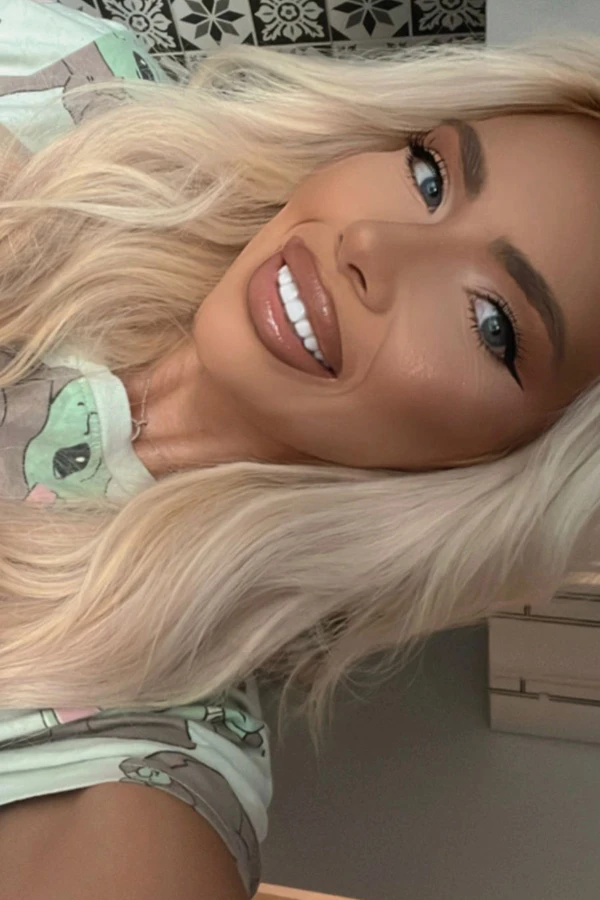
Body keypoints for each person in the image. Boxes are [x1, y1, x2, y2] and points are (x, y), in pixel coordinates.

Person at [2, 0, 600, 896]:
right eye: (430, 176)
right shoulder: (83, 90)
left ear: (505, 468)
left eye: (492, 323)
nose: (371, 244)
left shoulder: (143, 733)